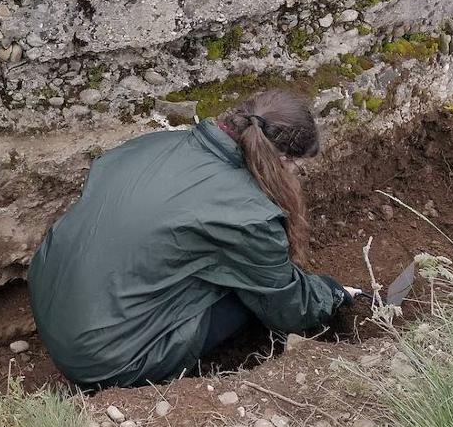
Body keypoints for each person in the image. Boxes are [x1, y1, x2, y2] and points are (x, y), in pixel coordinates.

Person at [28, 90, 357, 390]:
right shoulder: (248, 216)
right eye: (297, 168)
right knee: (245, 288)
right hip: (108, 359)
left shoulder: (154, 144)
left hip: (51, 306)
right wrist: (333, 293)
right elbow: (288, 307)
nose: (296, 177)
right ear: (282, 159)